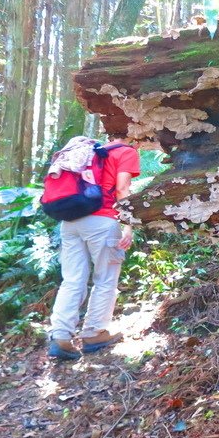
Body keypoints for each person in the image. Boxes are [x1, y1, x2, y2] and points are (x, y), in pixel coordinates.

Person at [47, 135, 141, 360]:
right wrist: (129, 225)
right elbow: (122, 189)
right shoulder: (125, 151)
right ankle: (94, 333)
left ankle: (60, 336)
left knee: (72, 279)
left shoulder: (88, 151)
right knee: (105, 278)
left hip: (70, 222)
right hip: (102, 221)